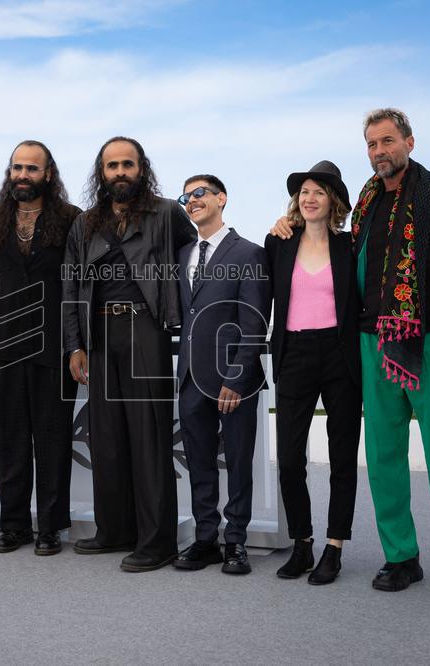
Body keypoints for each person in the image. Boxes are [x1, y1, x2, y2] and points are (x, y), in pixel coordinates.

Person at [271, 109, 430, 608]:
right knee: (383, 459)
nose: (379, 151)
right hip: (371, 347)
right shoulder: (364, 207)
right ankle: (402, 557)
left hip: (428, 342)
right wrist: (285, 223)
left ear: (409, 141)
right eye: (371, 144)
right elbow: (333, 262)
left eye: (388, 140)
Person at [62, 136, 197, 572]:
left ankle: (157, 542)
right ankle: (114, 529)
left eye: (128, 164)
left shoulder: (166, 213)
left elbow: (195, 256)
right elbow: (70, 287)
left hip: (144, 327)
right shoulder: (85, 223)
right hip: (98, 332)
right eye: (112, 166)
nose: (120, 172)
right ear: (101, 173)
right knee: (107, 439)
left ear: (142, 168)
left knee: (148, 437)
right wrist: (74, 345)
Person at [264, 161, 361, 585]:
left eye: (318, 191)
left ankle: (334, 547)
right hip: (294, 354)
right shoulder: (278, 242)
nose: (309, 198)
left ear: (333, 201)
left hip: (341, 357)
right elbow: (255, 287)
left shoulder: (351, 246)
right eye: (304, 191)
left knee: (342, 458)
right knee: (289, 459)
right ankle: (302, 544)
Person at [0, 141, 82, 556]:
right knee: (10, 439)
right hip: (5, 342)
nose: (22, 175)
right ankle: (14, 526)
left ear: (48, 173)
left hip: (53, 344)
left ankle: (50, 527)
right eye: (16, 168)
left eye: (31, 168)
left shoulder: (71, 218)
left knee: (52, 438)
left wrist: (79, 344)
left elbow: (78, 283)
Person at [172, 175, 269, 575]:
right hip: (191, 376)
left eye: (200, 193)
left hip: (234, 381)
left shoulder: (250, 253)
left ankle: (237, 543)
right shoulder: (182, 256)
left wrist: (236, 376)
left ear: (221, 198)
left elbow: (254, 322)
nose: (192, 201)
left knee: (239, 462)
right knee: (199, 462)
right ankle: (206, 538)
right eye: (186, 197)